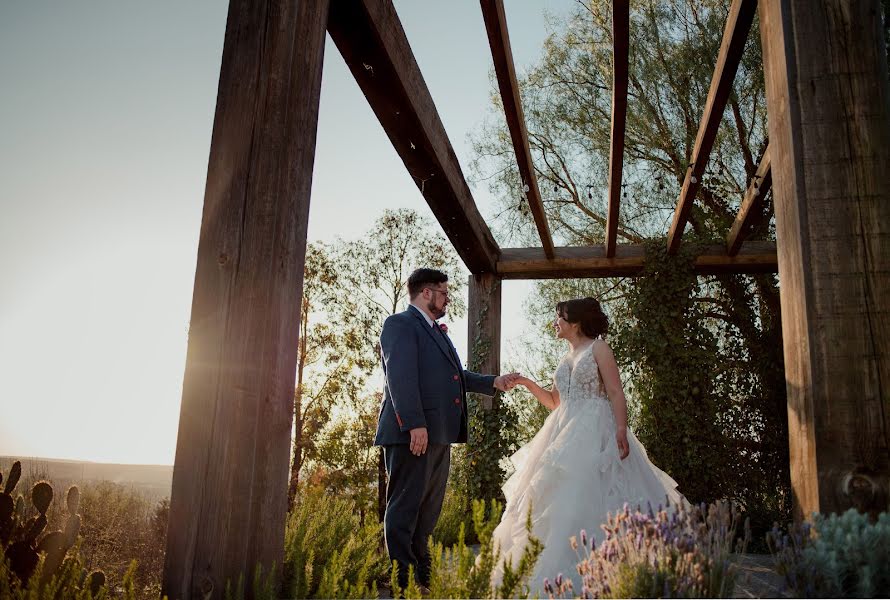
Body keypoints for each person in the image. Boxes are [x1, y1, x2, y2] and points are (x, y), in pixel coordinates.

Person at [490, 297, 684, 593]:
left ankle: (612, 572)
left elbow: (617, 392)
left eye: (559, 317)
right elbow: (555, 402)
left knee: (587, 494)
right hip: (563, 431)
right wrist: (527, 383)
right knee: (554, 499)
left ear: (575, 321)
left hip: (595, 429)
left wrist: (621, 427)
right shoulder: (565, 357)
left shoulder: (599, 348)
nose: (555, 322)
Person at [374, 268, 519, 591]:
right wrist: (414, 425)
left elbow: (456, 375)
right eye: (444, 292)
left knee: (427, 510)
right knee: (405, 507)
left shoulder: (437, 332)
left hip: (438, 433)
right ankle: (404, 580)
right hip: (411, 433)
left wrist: (493, 382)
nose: (447, 299)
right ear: (426, 293)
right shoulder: (399, 325)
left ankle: (422, 577)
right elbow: (400, 377)